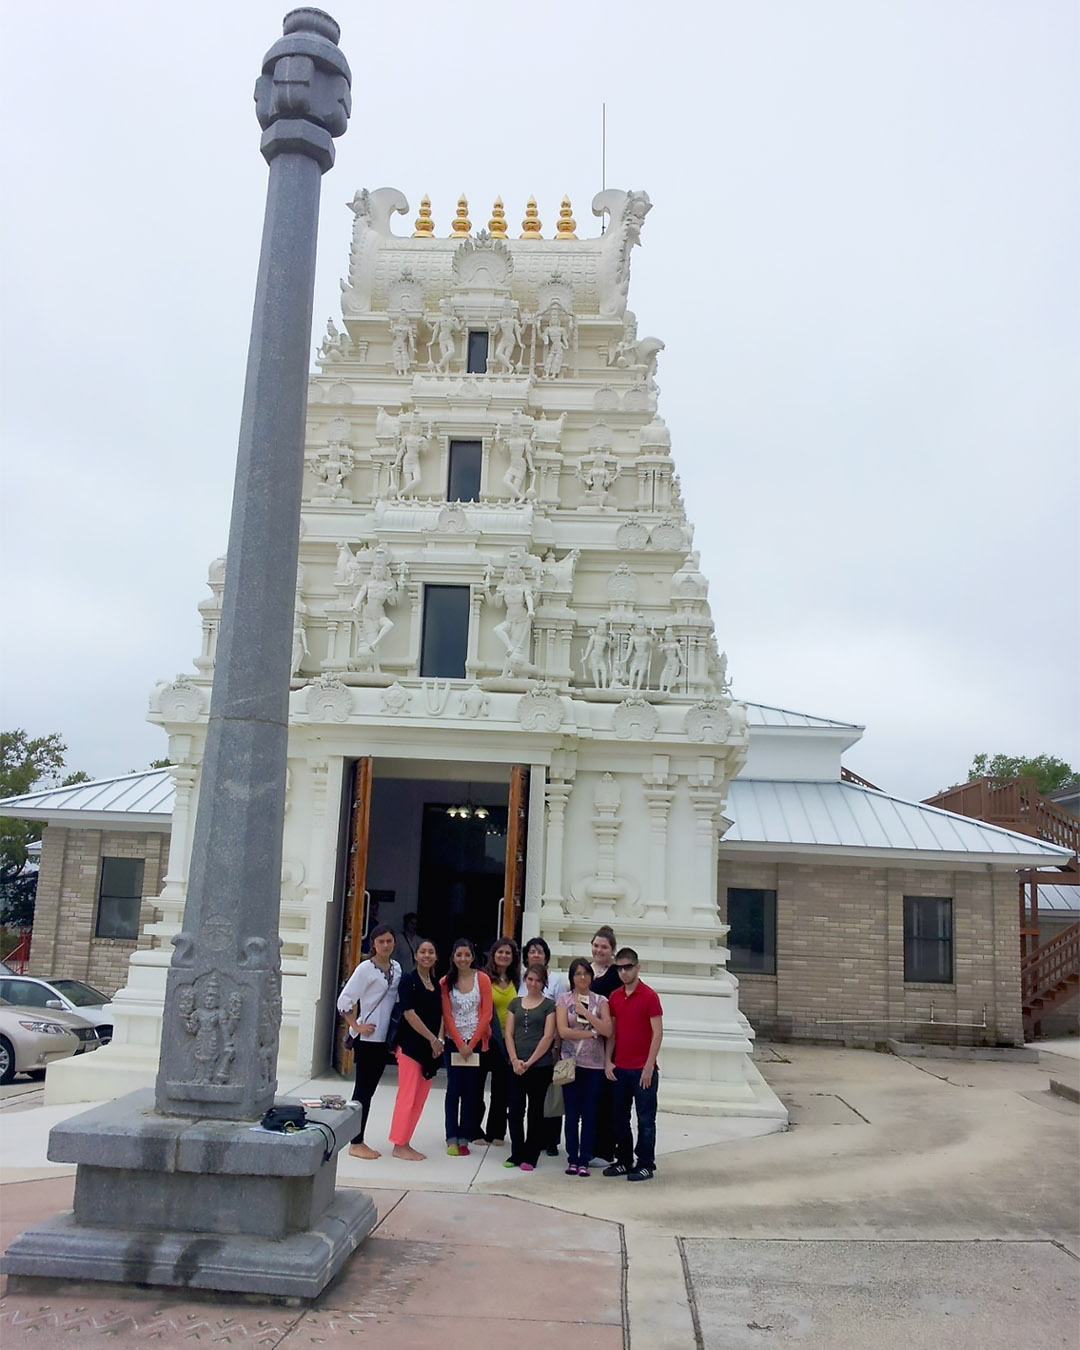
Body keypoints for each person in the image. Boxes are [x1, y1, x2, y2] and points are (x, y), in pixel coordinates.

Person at [337, 924, 402, 1159]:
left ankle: (358, 1136)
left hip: (385, 1038)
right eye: (381, 941)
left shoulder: (396, 968)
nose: (386, 945)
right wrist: (356, 1026)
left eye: (389, 941)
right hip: (368, 1039)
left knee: (370, 1090)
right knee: (363, 1091)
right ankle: (356, 1141)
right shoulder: (366, 969)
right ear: (373, 944)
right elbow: (344, 1000)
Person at [604, 947, 663, 1182]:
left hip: (643, 1070)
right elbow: (613, 1033)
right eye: (620, 968)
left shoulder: (649, 996)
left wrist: (649, 1066)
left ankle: (646, 1163)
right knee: (619, 1117)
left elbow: (657, 1033)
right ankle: (625, 1160)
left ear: (637, 967)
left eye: (628, 967)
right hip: (620, 1068)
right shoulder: (615, 997)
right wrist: (608, 1060)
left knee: (645, 1119)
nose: (624, 972)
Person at [387, 938, 444, 1160]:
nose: (427, 955)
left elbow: (442, 1014)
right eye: (423, 951)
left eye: (431, 952)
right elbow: (409, 1013)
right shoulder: (408, 980)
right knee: (407, 1096)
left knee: (419, 1098)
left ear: (436, 957)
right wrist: (432, 1039)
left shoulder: (436, 984)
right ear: (416, 955)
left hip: (430, 1049)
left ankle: (406, 1140)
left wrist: (439, 1040)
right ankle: (399, 1144)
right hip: (411, 1046)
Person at [556, 958, 613, 1176]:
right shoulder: (564, 999)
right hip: (570, 1062)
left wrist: (587, 1013)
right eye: (578, 973)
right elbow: (564, 1031)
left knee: (590, 1114)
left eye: (586, 973)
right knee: (571, 1114)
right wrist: (591, 1032)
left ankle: (585, 1159)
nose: (582, 977)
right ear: (571, 977)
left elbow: (607, 1030)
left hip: (595, 1065)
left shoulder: (601, 1001)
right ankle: (572, 1157)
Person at [440, 937, 493, 1156]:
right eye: (459, 955)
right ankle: (451, 1135)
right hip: (454, 1044)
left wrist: (471, 1043)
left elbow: (486, 1012)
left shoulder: (482, 979)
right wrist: (460, 1043)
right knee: (454, 1090)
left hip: (476, 1043)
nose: (463, 959)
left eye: (467, 955)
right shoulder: (445, 982)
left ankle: (465, 1135)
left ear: (473, 957)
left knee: (471, 1092)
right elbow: (447, 1014)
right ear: (453, 957)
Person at [504, 964, 557, 1171]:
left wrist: (530, 1061)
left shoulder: (549, 1005)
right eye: (530, 979)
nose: (533, 983)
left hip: (539, 1067)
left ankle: (531, 1154)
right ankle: (516, 1152)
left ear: (544, 983)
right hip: (515, 1066)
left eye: (538, 980)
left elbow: (548, 1036)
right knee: (515, 1110)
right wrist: (515, 1060)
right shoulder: (515, 1004)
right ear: (525, 980)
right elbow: (508, 1034)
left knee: (535, 1112)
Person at [520, 936, 568, 1157]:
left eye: (540, 951)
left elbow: (561, 1012)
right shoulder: (520, 980)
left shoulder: (556, 979)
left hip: (551, 1048)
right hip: (525, 1050)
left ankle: (551, 1140)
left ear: (546, 955)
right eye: (532, 951)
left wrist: (557, 1045)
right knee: (533, 1099)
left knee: (553, 1095)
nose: (536, 955)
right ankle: (534, 1139)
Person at [478, 937, 520, 1145]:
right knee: (476, 1088)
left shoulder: (517, 980)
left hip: (507, 1041)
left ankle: (496, 1133)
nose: (504, 956)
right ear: (493, 955)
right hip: (486, 1038)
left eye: (508, 953)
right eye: (500, 952)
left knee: (501, 1089)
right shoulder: (484, 978)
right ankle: (474, 1130)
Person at [588, 925, 619, 1163]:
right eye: (596, 945)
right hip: (585, 1040)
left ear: (612, 950)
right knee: (588, 1096)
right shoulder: (584, 971)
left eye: (604, 947)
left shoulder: (617, 974)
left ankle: (605, 1149)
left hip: (610, 1038)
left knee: (608, 1097)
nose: (599, 950)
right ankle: (588, 1145)